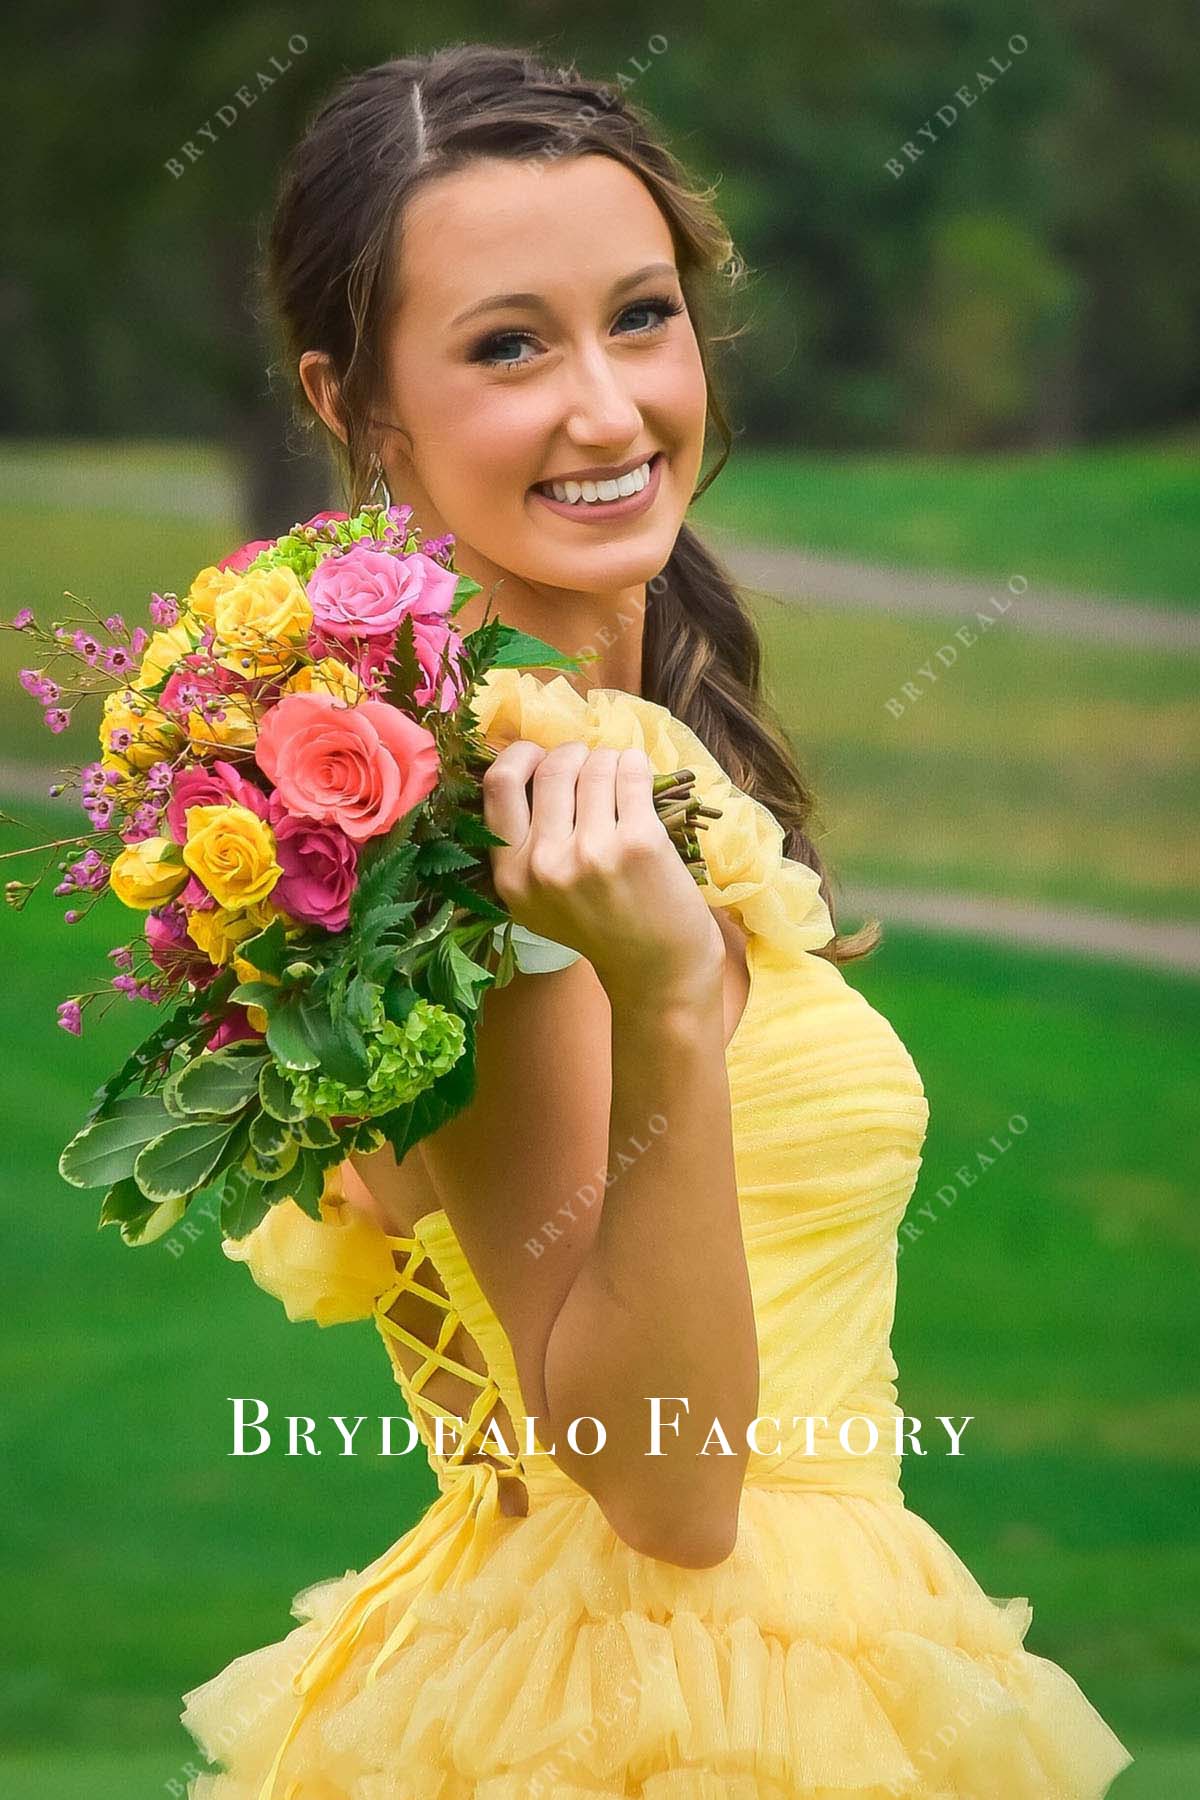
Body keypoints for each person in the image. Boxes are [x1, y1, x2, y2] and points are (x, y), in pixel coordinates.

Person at [180, 42, 1134, 1798]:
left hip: (681, 1650)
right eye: (508, 346)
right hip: (672, 1702)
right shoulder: (489, 801)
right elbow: (671, 1485)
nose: (611, 408)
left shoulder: (551, 757)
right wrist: (672, 1002)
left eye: (641, 315)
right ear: (353, 404)